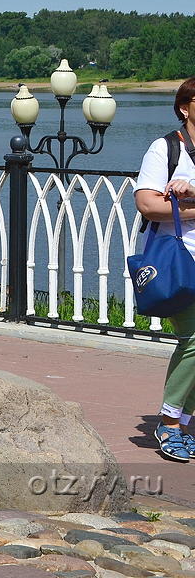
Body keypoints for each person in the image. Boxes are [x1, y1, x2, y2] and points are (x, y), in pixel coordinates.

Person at [135, 75, 195, 461]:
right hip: (178, 261)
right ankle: (170, 421)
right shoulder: (166, 149)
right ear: (185, 107)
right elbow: (148, 204)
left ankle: (184, 422)